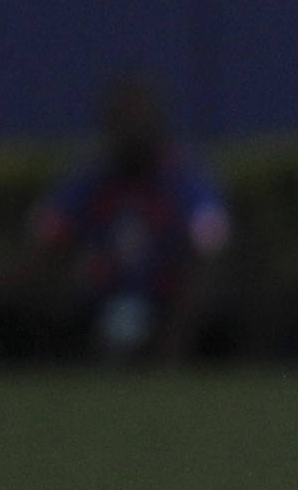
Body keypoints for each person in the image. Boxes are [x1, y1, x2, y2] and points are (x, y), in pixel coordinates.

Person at [20, 75, 229, 364]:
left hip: (166, 301)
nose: (131, 133)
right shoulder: (90, 178)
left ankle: (172, 361)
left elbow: (210, 238)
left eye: (139, 122)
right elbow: (48, 232)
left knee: (209, 282)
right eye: (122, 122)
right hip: (98, 300)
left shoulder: (183, 178)